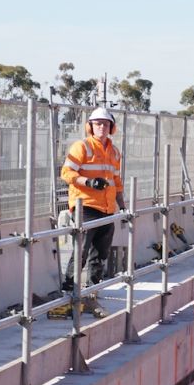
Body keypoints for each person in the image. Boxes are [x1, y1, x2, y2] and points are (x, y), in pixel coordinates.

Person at [60, 107, 125, 297]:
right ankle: (69, 289)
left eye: (105, 124)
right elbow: (66, 173)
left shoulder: (114, 152)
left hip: (107, 208)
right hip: (85, 205)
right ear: (90, 126)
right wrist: (87, 182)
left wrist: (122, 205)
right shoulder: (82, 147)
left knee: (101, 251)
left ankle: (93, 289)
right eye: (97, 124)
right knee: (82, 249)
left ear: (111, 127)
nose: (101, 128)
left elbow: (116, 181)